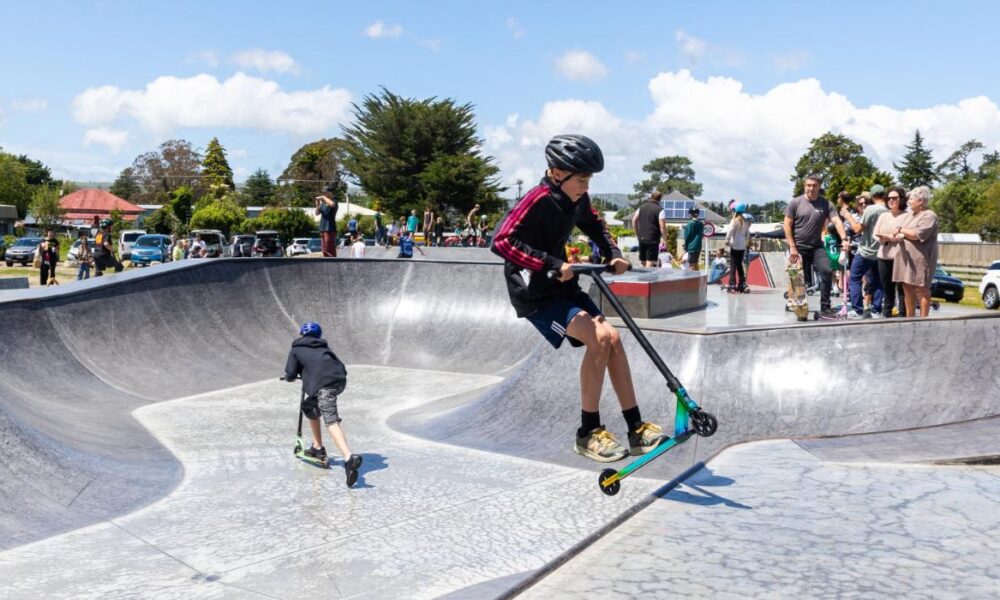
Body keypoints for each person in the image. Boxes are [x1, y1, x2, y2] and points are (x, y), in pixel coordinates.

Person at [490, 134, 666, 463]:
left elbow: (595, 226)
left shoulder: (577, 199)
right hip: (534, 291)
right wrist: (550, 264)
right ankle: (588, 432)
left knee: (613, 339)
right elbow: (501, 241)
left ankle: (636, 428)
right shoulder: (536, 199)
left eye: (589, 181)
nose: (585, 188)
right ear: (557, 173)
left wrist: (614, 253)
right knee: (598, 339)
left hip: (562, 284)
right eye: (581, 180)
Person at [283, 321, 363, 487]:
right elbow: (339, 366)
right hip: (339, 382)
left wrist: (292, 377)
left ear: (302, 334)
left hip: (324, 387)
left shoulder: (296, 349)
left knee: (331, 421)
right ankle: (317, 447)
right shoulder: (324, 348)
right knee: (310, 407)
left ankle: (349, 458)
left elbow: (290, 374)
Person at [784, 175, 850, 317]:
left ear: (819, 187)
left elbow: (837, 221)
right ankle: (797, 305)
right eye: (808, 185)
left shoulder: (826, 204)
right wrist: (792, 246)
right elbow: (787, 225)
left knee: (827, 270)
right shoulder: (795, 203)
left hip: (816, 247)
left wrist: (844, 239)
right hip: (798, 247)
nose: (811, 188)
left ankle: (825, 307)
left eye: (814, 185)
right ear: (804, 186)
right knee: (797, 277)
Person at [840, 185, 889, 319]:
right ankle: (876, 310)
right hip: (881, 252)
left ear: (872, 196)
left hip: (866, 251)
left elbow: (857, 229)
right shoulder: (888, 210)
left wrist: (848, 216)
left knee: (854, 278)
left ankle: (857, 310)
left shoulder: (871, 209)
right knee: (878, 282)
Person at [893, 186, 939, 317]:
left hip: (921, 259)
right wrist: (899, 233)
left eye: (911, 199)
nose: (908, 201)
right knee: (907, 287)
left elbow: (916, 234)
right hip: (906, 258)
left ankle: (923, 319)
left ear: (920, 201)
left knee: (921, 288)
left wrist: (901, 231)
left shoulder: (929, 216)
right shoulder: (909, 215)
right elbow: (898, 230)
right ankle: (910, 318)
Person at [874, 187, 909, 317]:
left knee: (901, 288)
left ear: (901, 199)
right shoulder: (883, 216)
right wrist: (886, 237)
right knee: (887, 287)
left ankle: (903, 315)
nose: (891, 200)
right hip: (884, 255)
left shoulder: (907, 216)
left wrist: (899, 236)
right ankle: (886, 313)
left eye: (894, 198)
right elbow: (875, 234)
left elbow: (907, 234)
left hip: (900, 256)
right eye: (889, 198)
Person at [632, 190, 663, 268]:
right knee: (650, 261)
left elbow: (634, 220)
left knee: (643, 261)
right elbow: (662, 226)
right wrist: (665, 239)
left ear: (650, 197)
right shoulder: (660, 209)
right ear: (660, 199)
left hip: (642, 238)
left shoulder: (641, 207)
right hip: (653, 239)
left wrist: (637, 233)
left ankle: (642, 275)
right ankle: (647, 275)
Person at [725, 204, 751, 291]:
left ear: (735, 210)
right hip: (742, 245)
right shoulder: (746, 221)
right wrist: (746, 241)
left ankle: (732, 284)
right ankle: (742, 283)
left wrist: (727, 240)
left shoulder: (734, 220)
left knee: (733, 265)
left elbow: (730, 230)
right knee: (739, 264)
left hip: (735, 245)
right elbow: (748, 233)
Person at [316, 183, 339, 257]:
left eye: (325, 192)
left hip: (330, 228)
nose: (324, 194)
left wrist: (323, 197)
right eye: (323, 193)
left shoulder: (334, 201)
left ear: (330, 193)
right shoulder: (323, 203)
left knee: (329, 247)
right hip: (322, 228)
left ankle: (333, 261)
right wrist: (317, 205)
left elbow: (332, 204)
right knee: (324, 249)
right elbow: (317, 213)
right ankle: (326, 261)